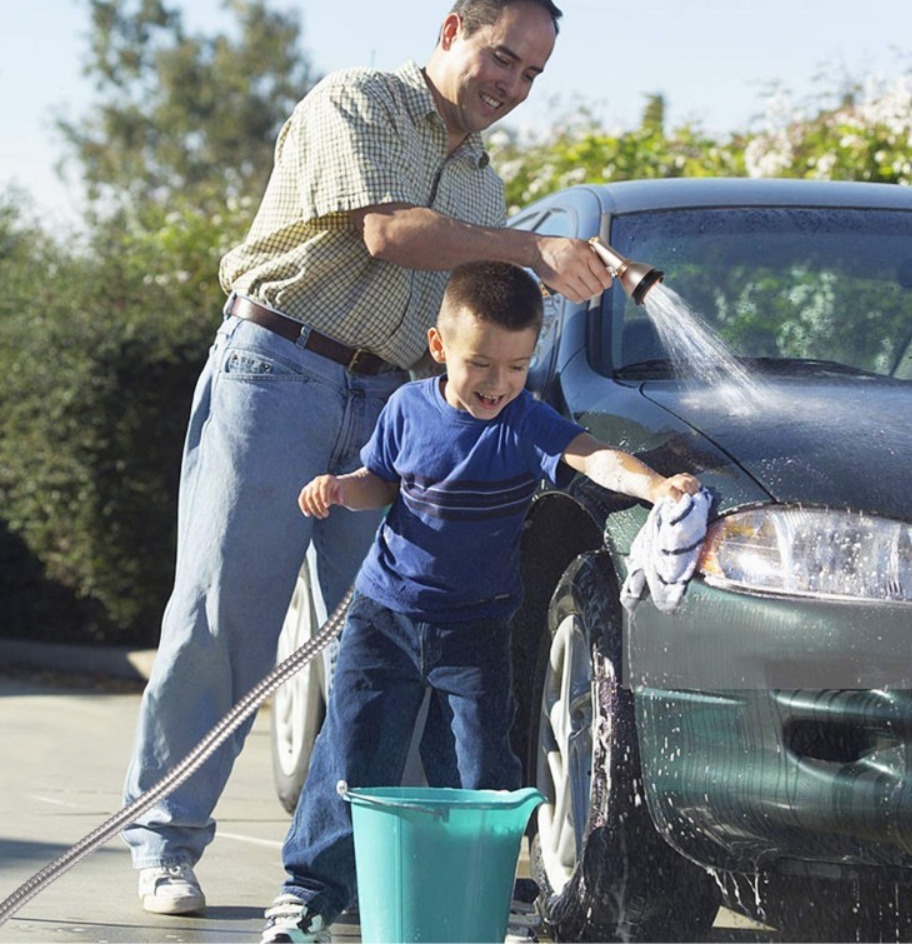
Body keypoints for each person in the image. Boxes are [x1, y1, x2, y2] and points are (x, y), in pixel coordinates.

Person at [121, 0, 614, 917]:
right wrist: (530, 249)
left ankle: (368, 874)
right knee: (226, 617)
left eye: (531, 74)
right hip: (279, 373)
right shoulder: (361, 100)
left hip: (392, 401)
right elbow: (390, 234)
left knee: (397, 637)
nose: (511, 84)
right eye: (501, 57)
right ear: (452, 30)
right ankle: (166, 843)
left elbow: (462, 329)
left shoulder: (482, 180)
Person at [261, 262, 700, 943]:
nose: (499, 383)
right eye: (481, 364)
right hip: (385, 618)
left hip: (476, 628)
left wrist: (657, 487)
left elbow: (594, 457)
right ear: (439, 347)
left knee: (480, 769)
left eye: (517, 366)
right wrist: (345, 488)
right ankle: (308, 894)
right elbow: (382, 480)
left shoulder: (526, 423)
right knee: (351, 753)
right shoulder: (407, 408)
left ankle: (481, 896)